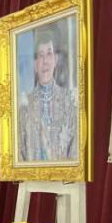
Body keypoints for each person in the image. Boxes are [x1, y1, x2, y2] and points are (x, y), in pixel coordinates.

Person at [18, 26, 79, 162]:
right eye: (41, 55)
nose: (45, 61)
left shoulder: (69, 102)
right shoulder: (25, 107)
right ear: (35, 65)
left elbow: (76, 152)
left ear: (55, 60)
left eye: (49, 53)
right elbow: (20, 154)